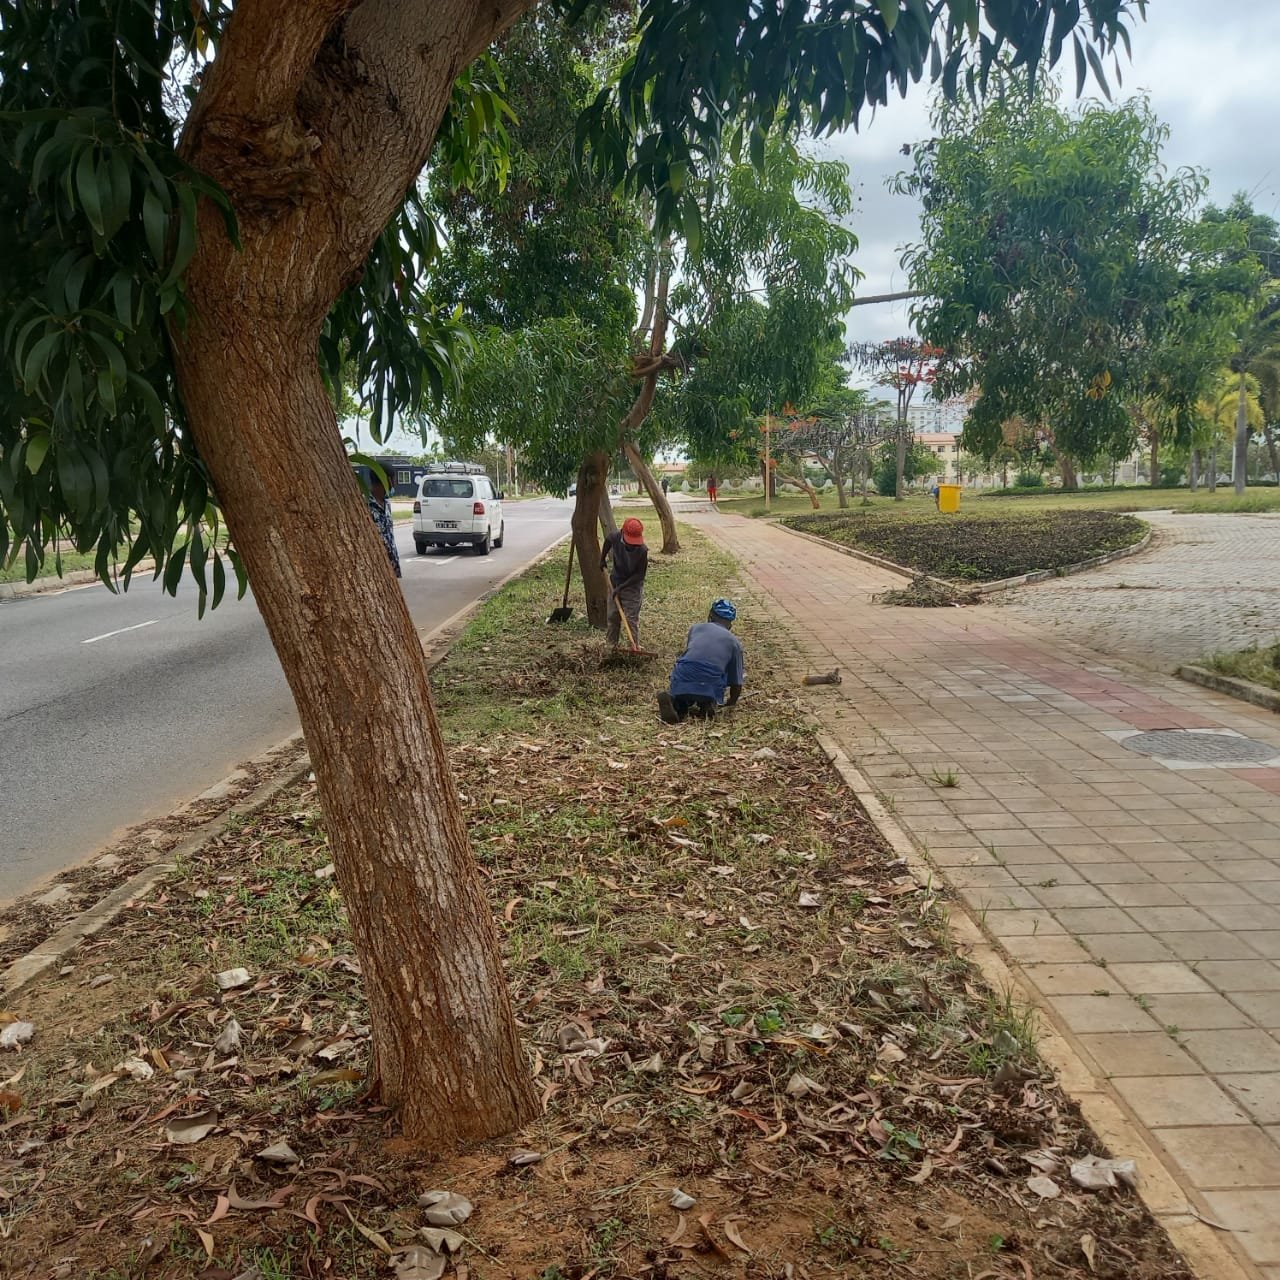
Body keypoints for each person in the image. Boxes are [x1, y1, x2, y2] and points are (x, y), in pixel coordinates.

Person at [657, 598, 745, 723]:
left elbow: (692, 654)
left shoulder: (695, 628)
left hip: (682, 676)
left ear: (710, 617)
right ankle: (707, 704)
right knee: (721, 672)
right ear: (730, 624)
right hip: (709, 684)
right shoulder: (734, 643)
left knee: (686, 678)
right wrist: (731, 703)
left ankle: (676, 703)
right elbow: (736, 683)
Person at [600, 516, 648, 647]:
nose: (632, 545)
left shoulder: (642, 550)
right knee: (612, 616)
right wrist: (602, 558)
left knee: (630, 618)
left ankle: (634, 647)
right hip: (615, 581)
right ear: (622, 533)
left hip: (632, 586)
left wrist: (621, 588)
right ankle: (611, 645)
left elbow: (639, 575)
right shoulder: (615, 536)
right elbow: (608, 540)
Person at [367, 470, 401, 578]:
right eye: (394, 480)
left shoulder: (386, 503)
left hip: (391, 567)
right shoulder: (365, 504)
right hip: (375, 568)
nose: (395, 484)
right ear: (388, 480)